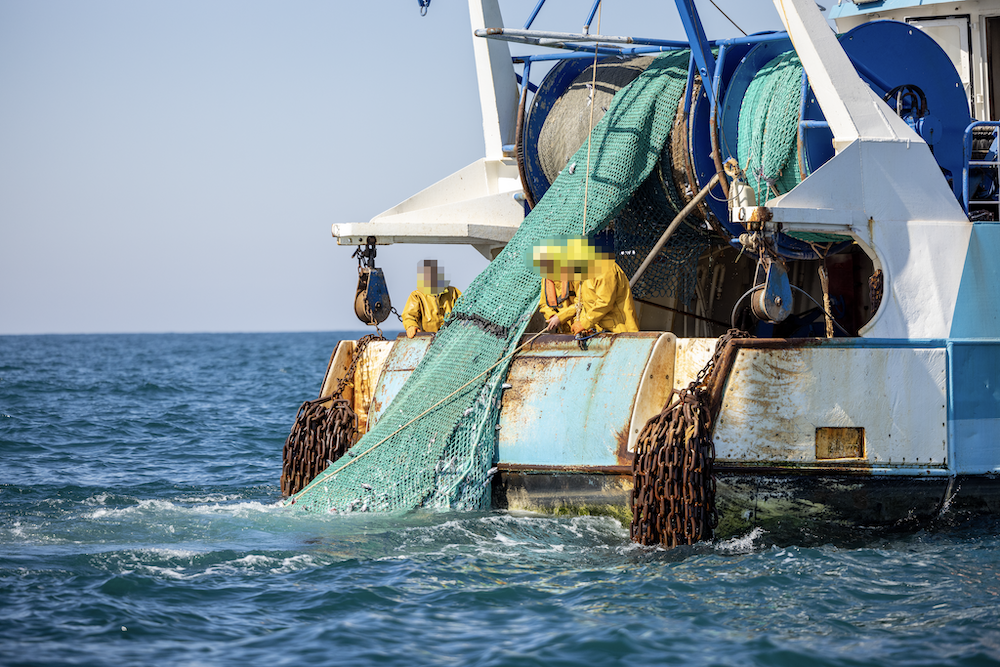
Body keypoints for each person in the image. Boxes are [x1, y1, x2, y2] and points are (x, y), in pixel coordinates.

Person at [569, 241, 639, 335]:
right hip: (600, 333)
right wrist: (584, 325)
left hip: (620, 333)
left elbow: (605, 302)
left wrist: (584, 324)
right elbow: (583, 302)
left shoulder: (604, 267)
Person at [401, 259, 461, 338]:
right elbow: (409, 316)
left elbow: (465, 309)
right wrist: (411, 326)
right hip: (427, 340)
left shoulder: (453, 292)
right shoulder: (416, 296)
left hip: (452, 339)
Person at [534, 239, 579, 333]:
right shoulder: (546, 278)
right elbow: (543, 304)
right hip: (562, 331)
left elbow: (583, 302)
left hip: (581, 327)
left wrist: (561, 317)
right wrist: (552, 316)